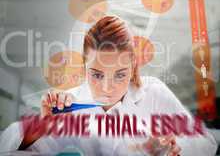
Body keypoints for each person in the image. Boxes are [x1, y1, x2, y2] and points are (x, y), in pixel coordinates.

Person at [0, 16, 218, 156]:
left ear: (132, 67)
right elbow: (6, 146)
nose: (107, 88)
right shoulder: (68, 105)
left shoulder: (153, 93)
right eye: (96, 74)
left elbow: (205, 142)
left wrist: (176, 148)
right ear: (85, 66)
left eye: (120, 75)